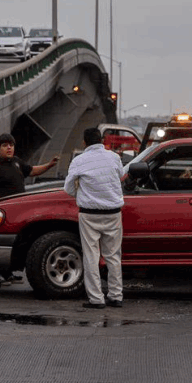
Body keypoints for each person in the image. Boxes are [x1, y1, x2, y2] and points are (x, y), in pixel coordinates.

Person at [0, 133, 58, 290]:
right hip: (0, 212)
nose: (9, 148)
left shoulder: (16, 162)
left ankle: (8, 273)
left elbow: (32, 171)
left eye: (11, 145)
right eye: (5, 145)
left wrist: (49, 165)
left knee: (15, 243)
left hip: (17, 212)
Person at [63, 128, 126, 309]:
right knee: (113, 256)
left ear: (84, 142)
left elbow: (68, 188)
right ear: (102, 140)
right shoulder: (114, 157)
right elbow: (120, 176)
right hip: (113, 213)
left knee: (91, 256)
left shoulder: (79, 160)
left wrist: (81, 194)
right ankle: (116, 296)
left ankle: (96, 299)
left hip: (89, 214)